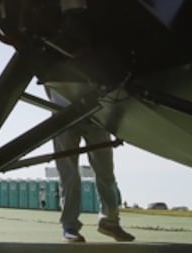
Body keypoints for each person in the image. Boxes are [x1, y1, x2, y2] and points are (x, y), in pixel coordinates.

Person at [48, 90, 133, 243]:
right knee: (69, 175)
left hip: (96, 114)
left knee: (105, 171)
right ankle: (70, 226)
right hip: (64, 115)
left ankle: (109, 221)